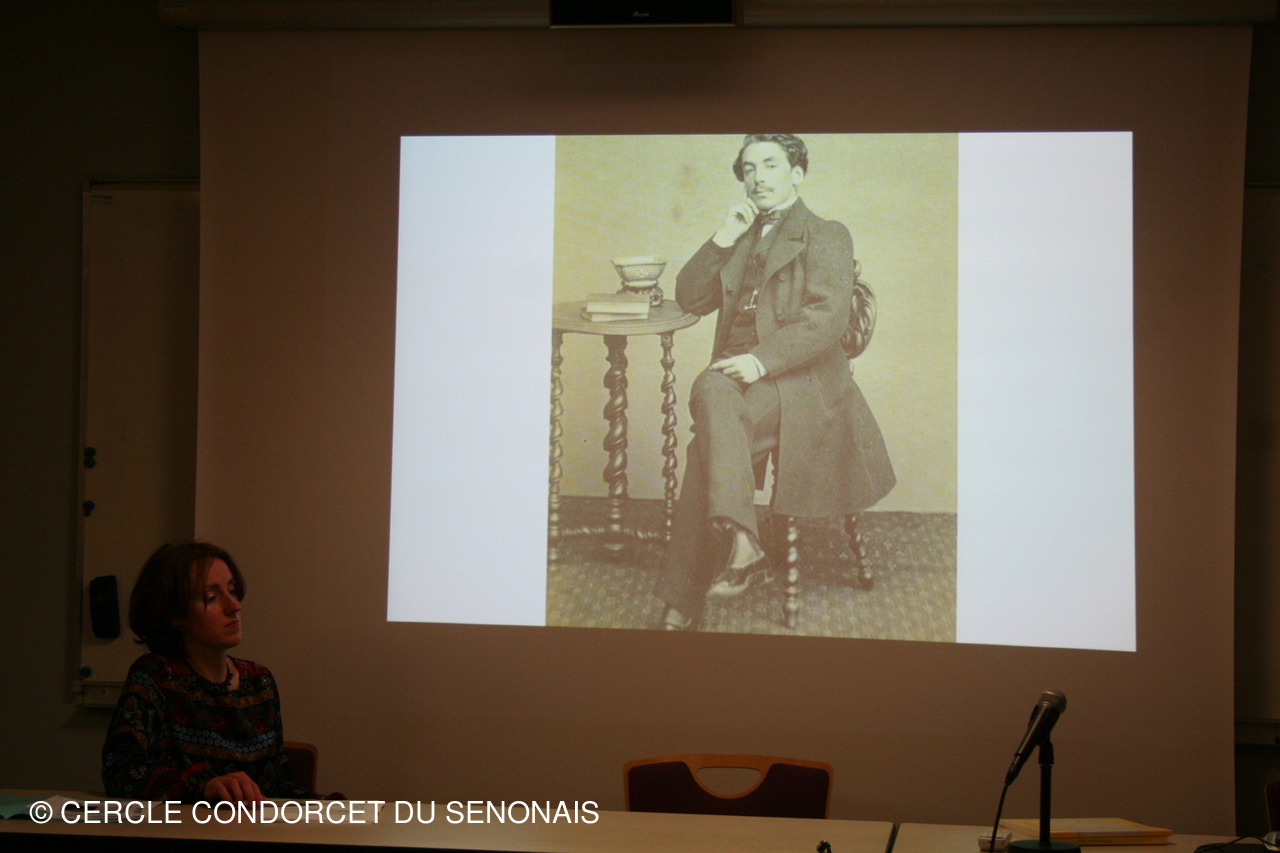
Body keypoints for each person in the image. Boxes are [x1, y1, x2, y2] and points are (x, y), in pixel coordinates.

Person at [654, 134, 895, 630]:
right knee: (712, 391)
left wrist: (760, 361)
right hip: (735, 375)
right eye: (749, 168)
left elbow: (826, 319)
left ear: (797, 174)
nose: (758, 177)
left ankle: (688, 597)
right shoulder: (740, 235)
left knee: (705, 444)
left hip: (797, 381)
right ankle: (743, 546)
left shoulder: (827, 234)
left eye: (770, 165)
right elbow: (690, 299)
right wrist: (723, 236)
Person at [102, 540, 309, 801]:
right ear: (173, 614)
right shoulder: (156, 675)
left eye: (232, 591)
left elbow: (279, 783)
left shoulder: (260, 681)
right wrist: (202, 787)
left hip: (251, 826)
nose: (234, 606)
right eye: (212, 598)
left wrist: (331, 808)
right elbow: (121, 772)